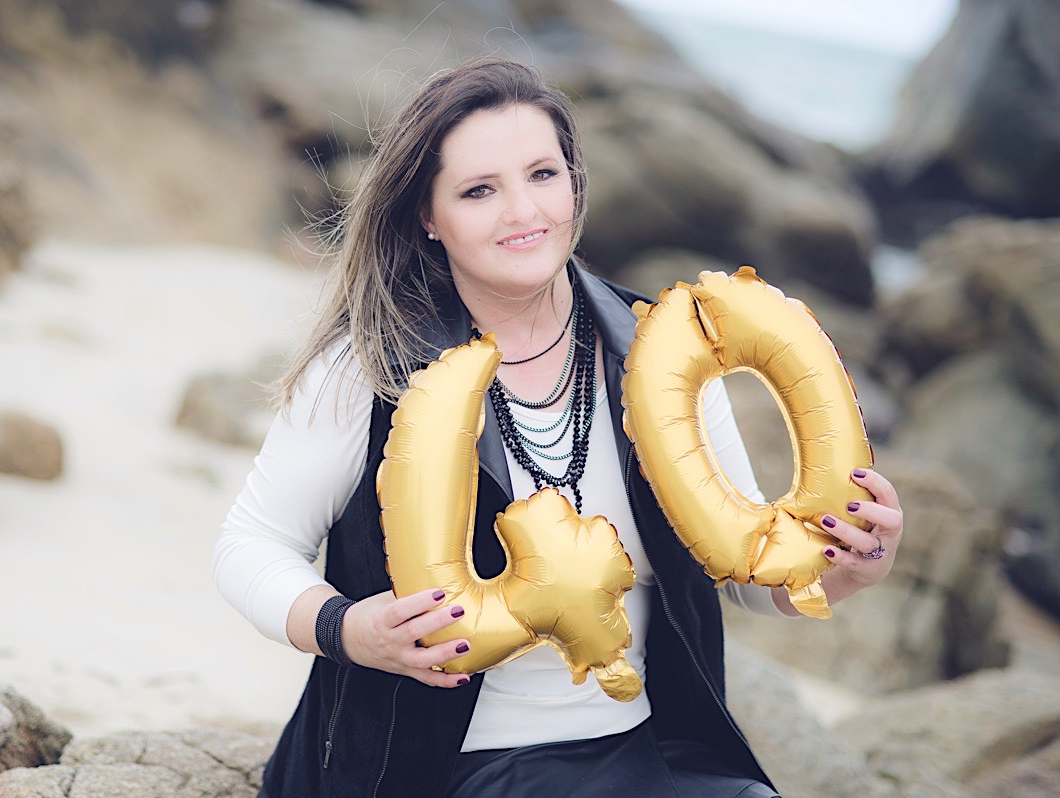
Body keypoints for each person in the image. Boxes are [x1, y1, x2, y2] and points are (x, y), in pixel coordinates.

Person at [214, 55, 904, 798]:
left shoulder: (665, 352)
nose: (523, 212)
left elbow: (738, 574)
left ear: (575, 182)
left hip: (642, 751)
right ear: (428, 216)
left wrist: (844, 570)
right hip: (422, 768)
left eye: (543, 175)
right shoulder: (372, 366)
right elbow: (250, 546)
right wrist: (347, 628)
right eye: (480, 190)